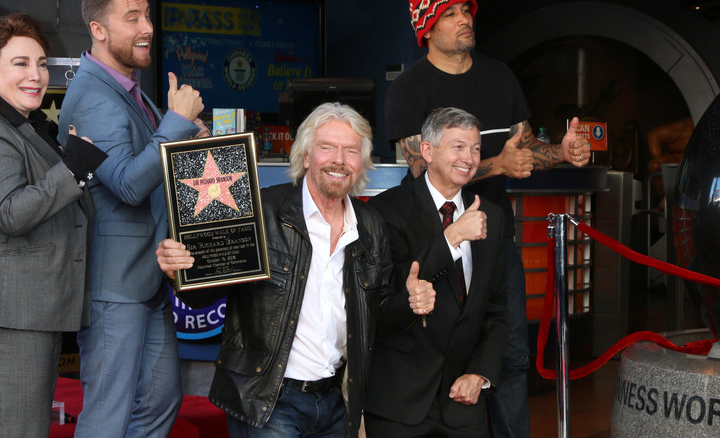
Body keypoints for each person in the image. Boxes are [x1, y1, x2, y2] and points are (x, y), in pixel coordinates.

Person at [156, 102, 426, 437]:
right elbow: (204, 295)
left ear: (362, 163)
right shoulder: (261, 210)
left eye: (351, 151)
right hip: (268, 399)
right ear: (306, 155)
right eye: (327, 147)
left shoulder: (369, 224)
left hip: (335, 400)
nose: (339, 160)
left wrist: (410, 304)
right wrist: (179, 271)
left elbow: (378, 315)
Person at [388, 2, 593, 436]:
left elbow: (526, 148)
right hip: (434, 240)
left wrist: (562, 152)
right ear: (426, 27)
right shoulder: (409, 87)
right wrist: (497, 166)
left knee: (511, 357)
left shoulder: (499, 76)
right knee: (432, 352)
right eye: (450, 14)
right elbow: (419, 166)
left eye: (467, 10)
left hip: (495, 241)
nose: (465, 19)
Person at [0, 13, 105, 437]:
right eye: (20, 63)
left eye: (42, 63)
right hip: (7, 311)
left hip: (28, 310)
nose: (36, 75)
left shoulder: (23, 128)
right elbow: (10, 212)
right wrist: (72, 168)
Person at [56, 0, 207, 436]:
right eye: (132, 18)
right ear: (98, 30)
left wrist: (192, 136)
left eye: (147, 15)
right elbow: (125, 182)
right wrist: (175, 123)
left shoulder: (129, 92)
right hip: (113, 288)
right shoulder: (92, 97)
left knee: (160, 402)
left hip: (148, 280)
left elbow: (156, 165)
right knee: (109, 415)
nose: (148, 27)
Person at [364, 107, 509, 437]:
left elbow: (497, 311)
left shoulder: (492, 216)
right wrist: (453, 236)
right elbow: (393, 300)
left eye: (475, 148)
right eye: (458, 146)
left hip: (463, 401)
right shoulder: (386, 210)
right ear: (427, 151)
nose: (469, 158)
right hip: (399, 402)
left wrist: (480, 374)